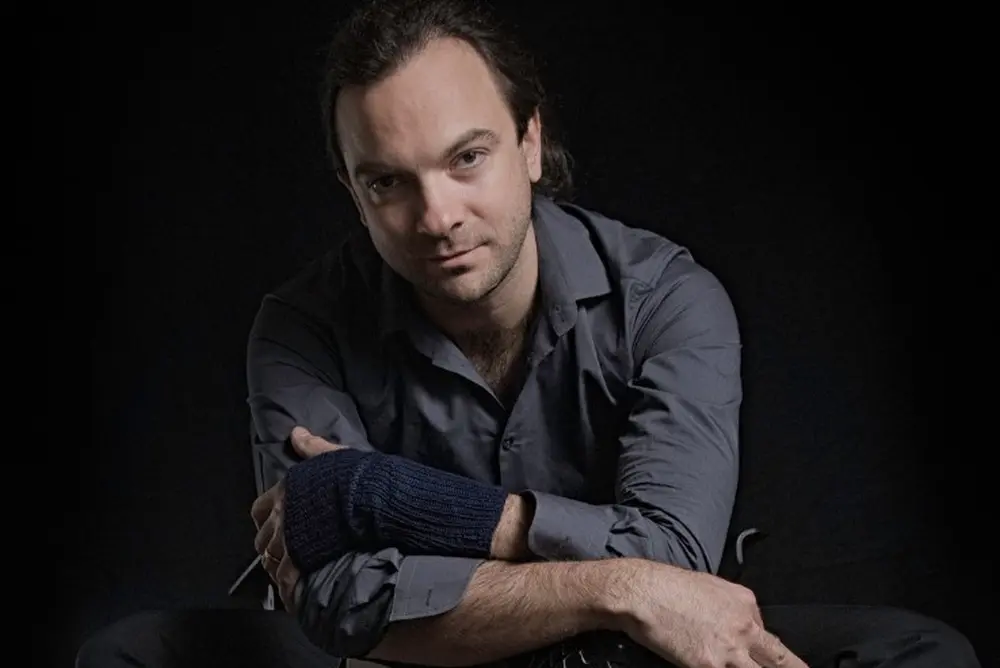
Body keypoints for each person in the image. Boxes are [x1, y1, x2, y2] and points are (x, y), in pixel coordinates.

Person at [77, 0, 980, 667]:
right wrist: (617, 584)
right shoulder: (301, 325)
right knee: (131, 652)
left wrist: (379, 497)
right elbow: (343, 600)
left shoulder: (667, 297)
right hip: (408, 662)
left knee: (918, 651)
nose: (437, 216)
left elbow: (676, 558)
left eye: (466, 158)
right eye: (388, 182)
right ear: (353, 192)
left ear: (530, 144)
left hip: (620, 659)